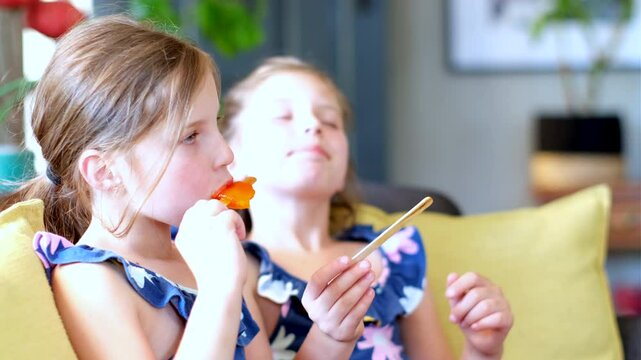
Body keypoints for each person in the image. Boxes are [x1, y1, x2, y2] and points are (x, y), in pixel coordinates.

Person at [220, 56, 514, 359]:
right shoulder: (230, 269)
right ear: (232, 156)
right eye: (283, 116)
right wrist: (328, 337)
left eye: (330, 121)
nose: (313, 125)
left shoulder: (396, 257)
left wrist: (482, 349)